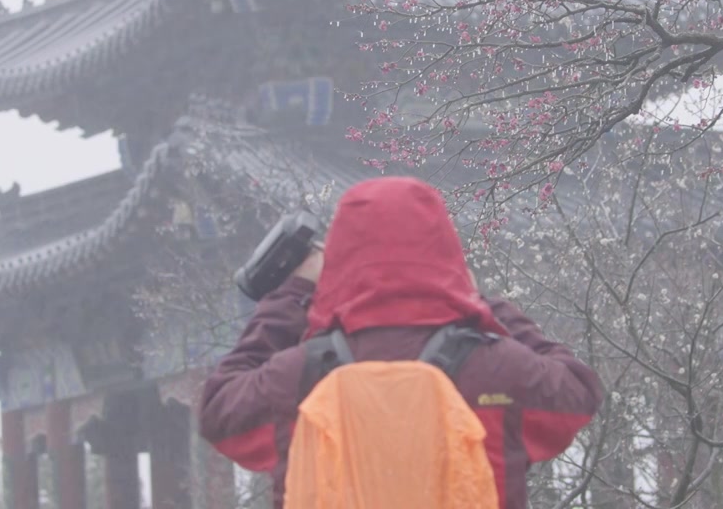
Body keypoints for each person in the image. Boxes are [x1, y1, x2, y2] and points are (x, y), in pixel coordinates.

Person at [199, 176, 604, 508]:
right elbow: (577, 393)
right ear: (444, 252)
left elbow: (220, 412)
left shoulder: (298, 378)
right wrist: (480, 305)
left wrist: (294, 294)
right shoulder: (498, 370)